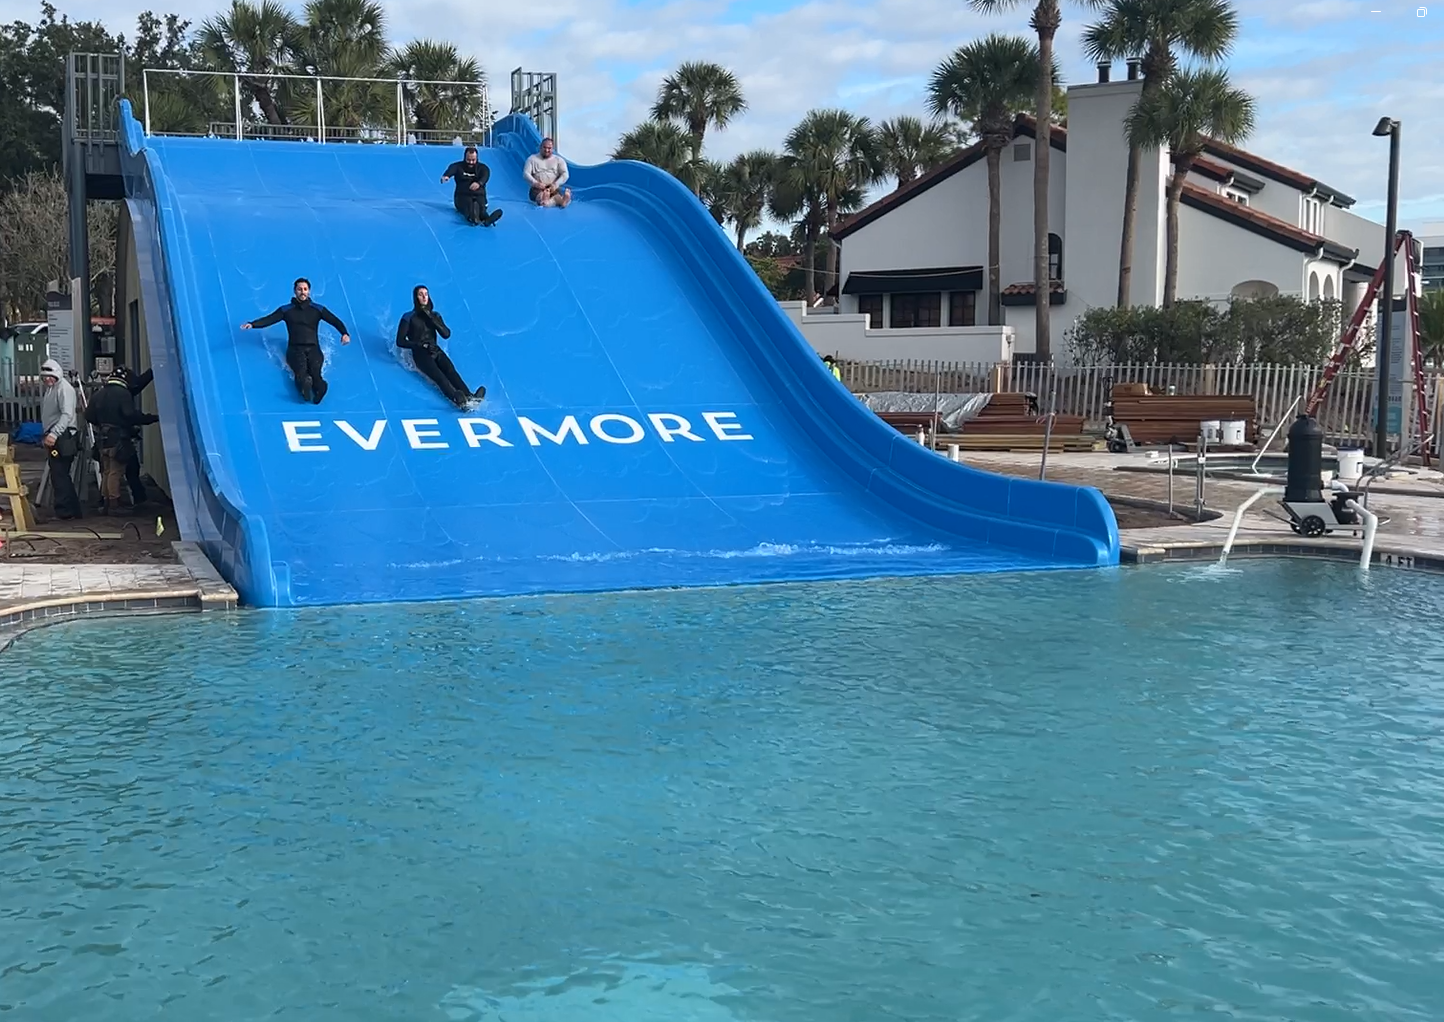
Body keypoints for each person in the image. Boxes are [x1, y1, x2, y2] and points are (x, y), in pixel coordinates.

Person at [241, 277, 350, 404]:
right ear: (295, 291)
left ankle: (318, 388)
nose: (302, 292)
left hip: (313, 349)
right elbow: (269, 319)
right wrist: (253, 324)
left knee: (312, 374)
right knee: (302, 373)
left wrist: (344, 333)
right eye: (299, 289)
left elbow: (335, 320)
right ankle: (311, 387)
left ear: (309, 291)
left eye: (305, 289)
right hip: (295, 350)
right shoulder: (286, 310)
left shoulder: (318, 309)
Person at [396, 285, 486, 408]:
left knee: (451, 371)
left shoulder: (435, 315)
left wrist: (432, 319)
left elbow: (446, 334)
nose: (424, 297)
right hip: (421, 354)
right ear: (415, 297)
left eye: (426, 294)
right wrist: (419, 345)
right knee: (440, 377)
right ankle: (457, 399)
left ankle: (470, 396)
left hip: (436, 350)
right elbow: (400, 341)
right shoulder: (408, 317)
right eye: (420, 294)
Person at [88, 365, 160, 515]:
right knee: (116, 471)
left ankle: (106, 502)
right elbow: (129, 414)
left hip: (102, 439)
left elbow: (89, 416)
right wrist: (150, 418)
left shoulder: (99, 394)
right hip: (118, 439)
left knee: (106, 471)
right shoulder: (123, 394)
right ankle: (115, 504)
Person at [39, 359, 81, 520]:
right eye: (44, 377)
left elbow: (66, 415)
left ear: (56, 374)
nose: (47, 379)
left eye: (50, 376)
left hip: (62, 437)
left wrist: (54, 433)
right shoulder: (54, 388)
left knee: (59, 474)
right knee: (61, 474)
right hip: (58, 435)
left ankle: (64, 511)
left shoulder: (63, 389)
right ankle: (72, 510)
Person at [441, 146, 503, 227]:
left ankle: (486, 219)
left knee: (481, 209)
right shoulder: (458, 166)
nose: (470, 162)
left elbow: (485, 176)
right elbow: (451, 170)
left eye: (473, 160)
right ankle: (473, 217)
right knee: (468, 207)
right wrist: (446, 176)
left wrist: (479, 183)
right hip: (462, 196)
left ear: (477, 158)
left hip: (479, 195)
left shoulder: (483, 168)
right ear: (464, 158)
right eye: (468, 160)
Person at [523, 137, 571, 208]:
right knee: (540, 196)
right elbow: (526, 174)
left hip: (553, 187)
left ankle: (563, 201)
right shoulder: (532, 159)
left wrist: (556, 184)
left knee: (557, 197)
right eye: (544, 147)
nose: (547, 150)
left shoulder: (558, 160)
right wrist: (535, 183)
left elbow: (565, 174)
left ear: (552, 148)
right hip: (537, 188)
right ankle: (544, 199)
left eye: (549, 148)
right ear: (540, 147)